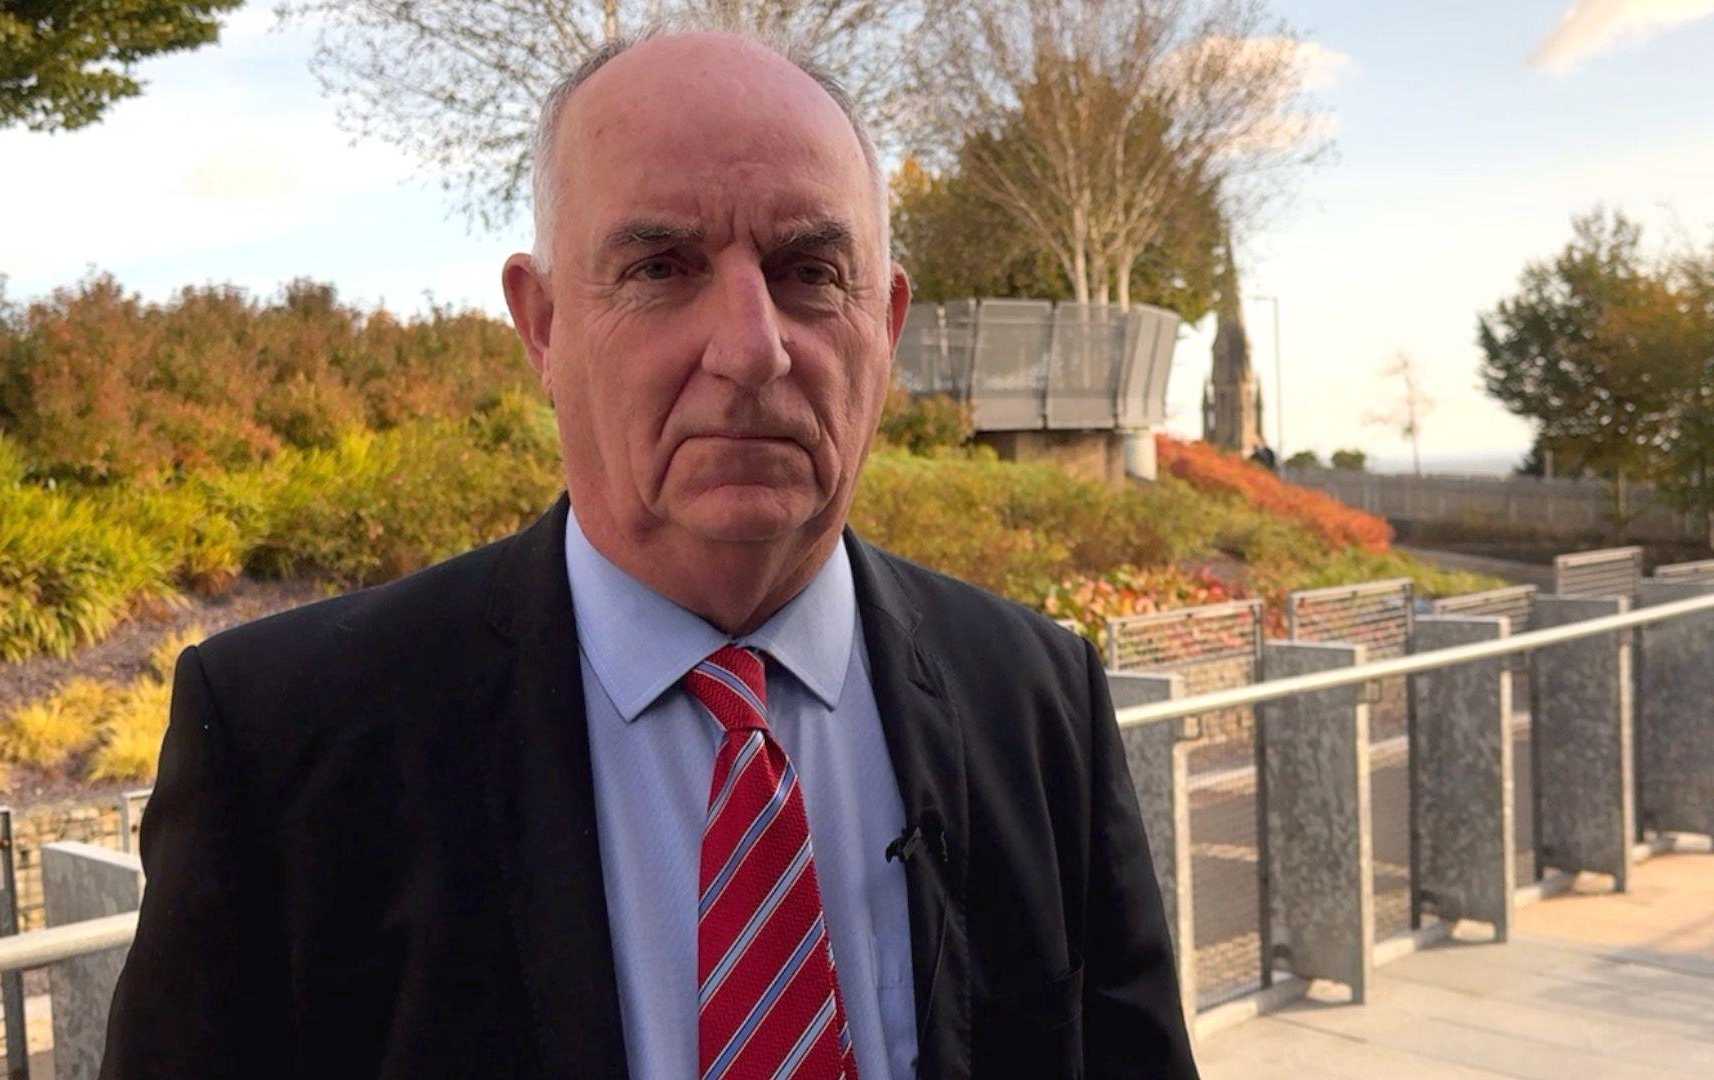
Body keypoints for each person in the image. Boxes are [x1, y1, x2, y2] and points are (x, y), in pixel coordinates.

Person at [101, 24, 1196, 1080]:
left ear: (889, 324)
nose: (752, 347)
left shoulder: (1036, 698)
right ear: (541, 327)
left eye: (811, 270)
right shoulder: (289, 744)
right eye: (660, 268)